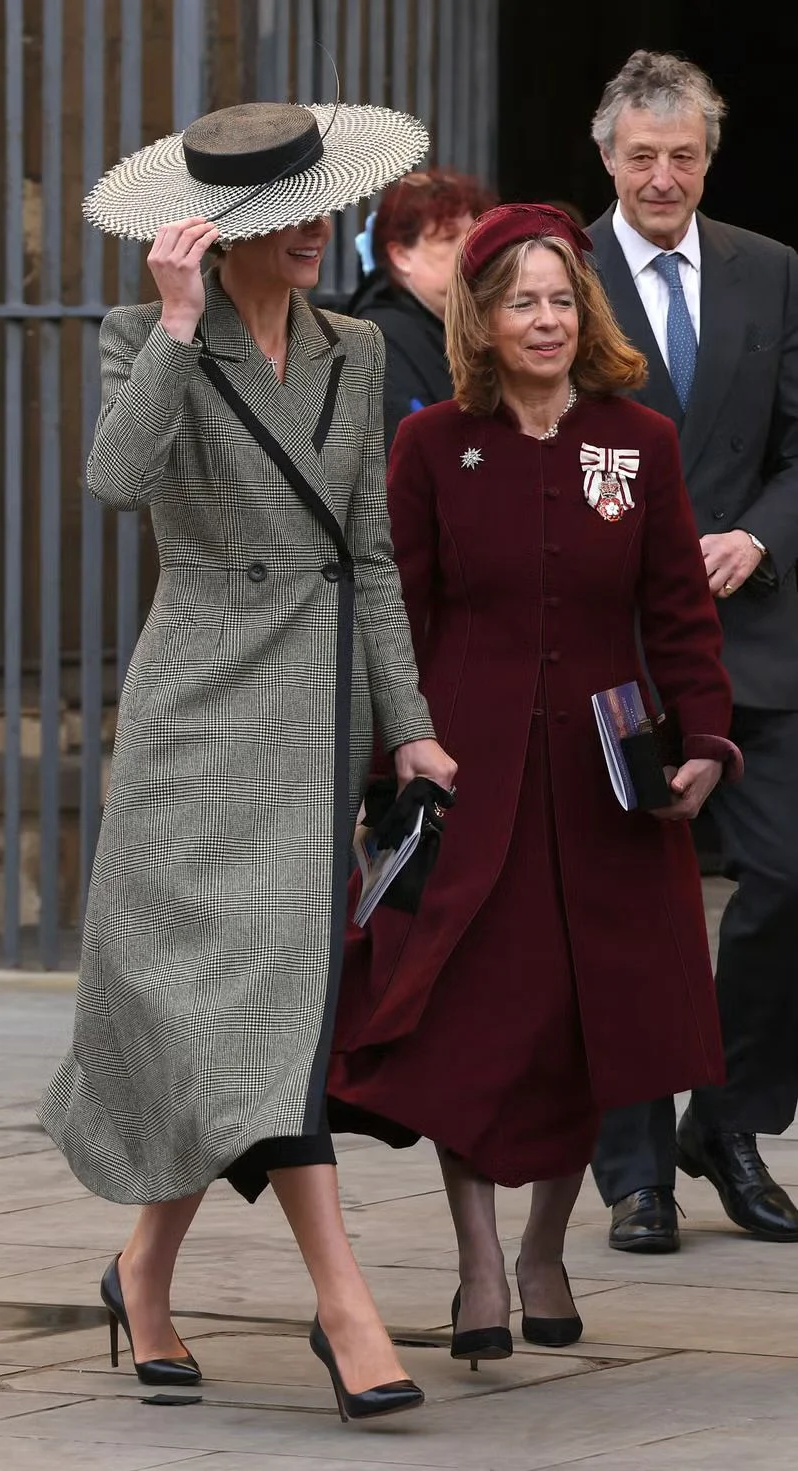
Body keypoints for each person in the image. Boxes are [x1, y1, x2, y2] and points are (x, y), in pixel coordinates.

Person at [38, 99, 457, 1423]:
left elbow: (372, 552)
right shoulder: (141, 334)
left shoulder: (353, 349)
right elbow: (116, 481)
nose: (316, 233)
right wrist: (169, 326)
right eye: (289, 219)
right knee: (214, 1012)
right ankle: (323, 1302)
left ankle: (171, 1272)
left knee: (265, 1012)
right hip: (197, 713)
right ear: (225, 232)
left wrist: (411, 722)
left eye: (319, 207)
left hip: (311, 715)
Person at [327, 203, 741, 1364]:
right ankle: (472, 1263)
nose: (544, 318)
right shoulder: (427, 446)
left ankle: (545, 1248)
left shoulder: (637, 441)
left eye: (560, 298)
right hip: (470, 771)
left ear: (584, 311)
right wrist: (385, 766)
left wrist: (703, 738)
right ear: (482, 318)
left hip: (606, 784)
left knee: (577, 1028)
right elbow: (395, 616)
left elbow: (675, 608)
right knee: (470, 1025)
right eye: (520, 299)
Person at [587, 50, 798, 1254]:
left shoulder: (770, 272)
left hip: (754, 633)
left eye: (682, 156)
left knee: (783, 879)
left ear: (706, 160)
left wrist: (757, 541)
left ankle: (723, 1123)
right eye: (640, 156)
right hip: (611, 639)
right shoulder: (551, 272)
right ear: (605, 159)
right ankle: (632, 1170)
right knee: (626, 906)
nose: (661, 175)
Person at [347, 167, 498, 451]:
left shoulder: (468, 322)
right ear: (401, 256)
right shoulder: (380, 338)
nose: (470, 249)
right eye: (448, 238)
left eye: (474, 235)